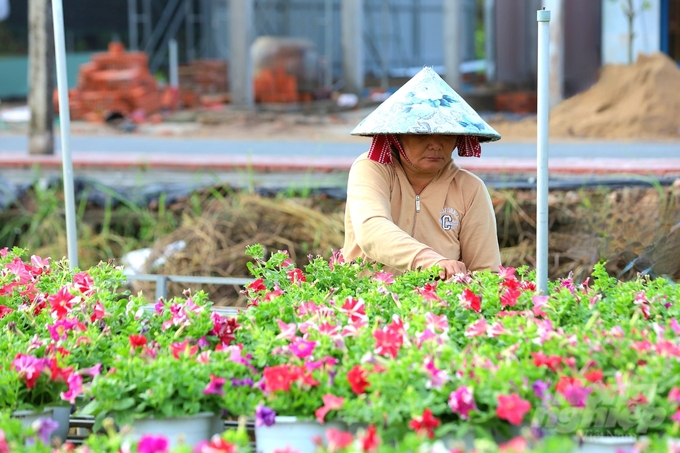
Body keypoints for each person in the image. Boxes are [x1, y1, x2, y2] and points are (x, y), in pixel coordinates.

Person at [342, 67, 502, 280]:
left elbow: (486, 271)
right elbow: (371, 230)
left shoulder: (469, 189)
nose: (435, 145)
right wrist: (432, 262)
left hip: (438, 308)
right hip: (370, 302)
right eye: (422, 134)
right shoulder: (372, 168)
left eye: (446, 134)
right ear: (397, 136)